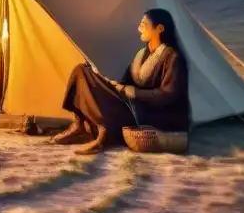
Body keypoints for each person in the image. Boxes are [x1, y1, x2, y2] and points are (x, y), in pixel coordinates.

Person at [58, 8, 191, 155]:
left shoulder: (173, 57)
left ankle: (106, 132)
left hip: (149, 116)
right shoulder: (142, 54)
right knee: (82, 70)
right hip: (132, 105)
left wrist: (133, 92)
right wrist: (107, 82)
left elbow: (168, 95)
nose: (139, 29)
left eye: (144, 24)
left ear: (159, 28)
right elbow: (125, 82)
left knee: (90, 80)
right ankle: (79, 125)